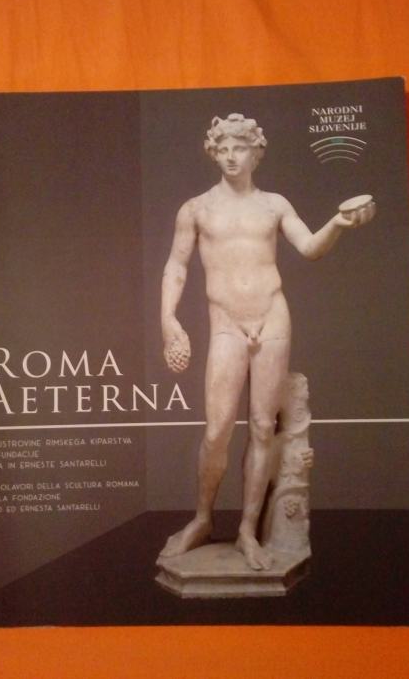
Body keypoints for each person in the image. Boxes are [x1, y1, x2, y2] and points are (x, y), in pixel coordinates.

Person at [160, 113, 375, 570]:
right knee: (217, 430)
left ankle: (246, 529)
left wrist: (339, 222)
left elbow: (310, 248)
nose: (230, 157)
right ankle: (202, 519)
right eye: (222, 149)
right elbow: (176, 265)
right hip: (226, 322)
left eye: (239, 148)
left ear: (256, 152)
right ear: (213, 153)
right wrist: (168, 320)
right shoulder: (196, 209)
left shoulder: (274, 205)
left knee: (262, 426)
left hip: (272, 316)